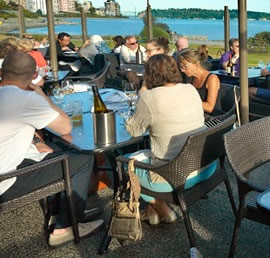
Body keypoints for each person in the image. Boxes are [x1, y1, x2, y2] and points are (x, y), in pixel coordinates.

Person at [0, 52, 103, 247]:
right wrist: (41, 95)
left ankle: (67, 212)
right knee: (83, 159)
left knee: (58, 148)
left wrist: (36, 141)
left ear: (1, 72)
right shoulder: (24, 99)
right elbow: (66, 127)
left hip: (10, 163)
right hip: (5, 180)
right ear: (33, 77)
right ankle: (64, 228)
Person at [125, 54, 208, 225]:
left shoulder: (149, 97)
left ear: (149, 74)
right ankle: (152, 211)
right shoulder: (190, 89)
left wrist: (143, 90)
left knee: (124, 163)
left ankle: (162, 208)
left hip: (173, 176)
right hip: (204, 166)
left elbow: (134, 131)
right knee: (153, 152)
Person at [177, 50, 222, 125]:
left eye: (184, 66)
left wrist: (188, 101)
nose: (182, 70)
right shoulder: (190, 78)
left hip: (212, 120)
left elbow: (210, 107)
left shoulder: (212, 79)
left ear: (196, 63)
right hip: (197, 116)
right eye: (181, 67)